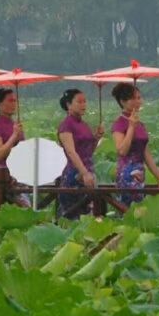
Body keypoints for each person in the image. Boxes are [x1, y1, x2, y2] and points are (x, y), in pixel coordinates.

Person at [55, 86, 101, 218]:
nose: (83, 105)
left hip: (88, 172)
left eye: (85, 101)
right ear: (68, 104)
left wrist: (96, 138)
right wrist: (84, 173)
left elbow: (89, 151)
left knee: (88, 214)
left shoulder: (84, 124)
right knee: (72, 215)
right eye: (79, 102)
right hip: (75, 173)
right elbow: (71, 152)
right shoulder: (66, 125)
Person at [111, 82, 159, 204]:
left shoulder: (141, 125)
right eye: (133, 98)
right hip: (126, 174)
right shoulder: (119, 123)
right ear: (122, 101)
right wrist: (131, 127)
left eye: (139, 98)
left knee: (139, 211)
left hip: (140, 174)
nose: (138, 101)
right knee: (128, 212)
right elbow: (122, 151)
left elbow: (146, 155)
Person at [0, 87, 25, 201]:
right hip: (3, 177)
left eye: (14, 100)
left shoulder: (15, 124)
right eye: (10, 101)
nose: (14, 104)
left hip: (18, 175)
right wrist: (13, 136)